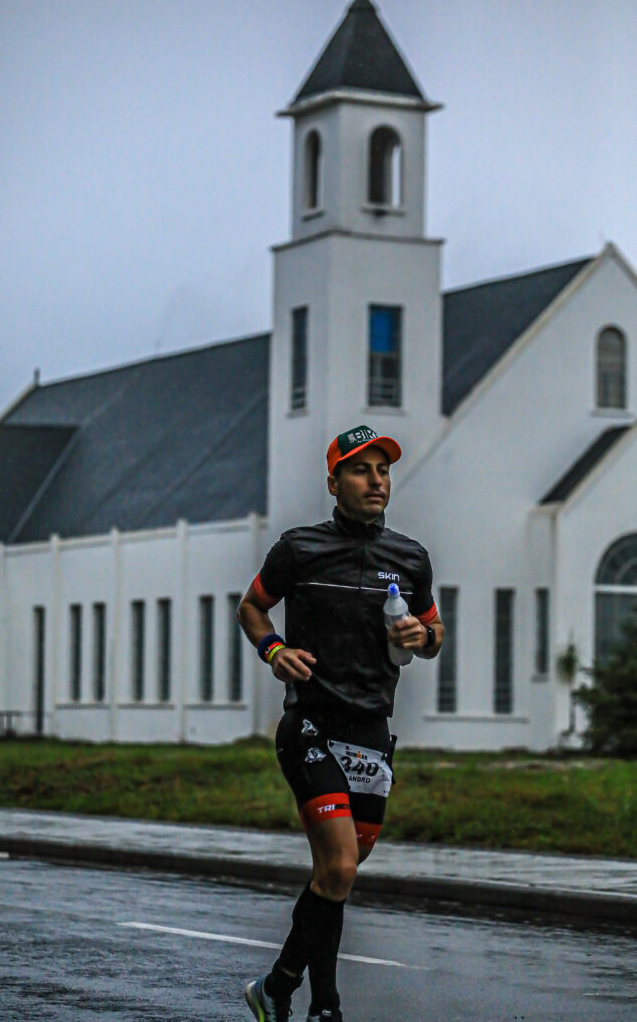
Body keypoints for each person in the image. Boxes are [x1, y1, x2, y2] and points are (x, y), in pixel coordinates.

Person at [238, 424, 443, 1022]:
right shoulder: (298, 549)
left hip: (371, 734)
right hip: (310, 727)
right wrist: (275, 651)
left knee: (336, 876)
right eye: (361, 469)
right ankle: (323, 1006)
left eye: (383, 470)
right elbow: (252, 606)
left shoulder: (410, 558)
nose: (376, 480)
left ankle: (280, 990)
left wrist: (423, 635)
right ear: (333, 482)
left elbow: (434, 636)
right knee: (342, 865)